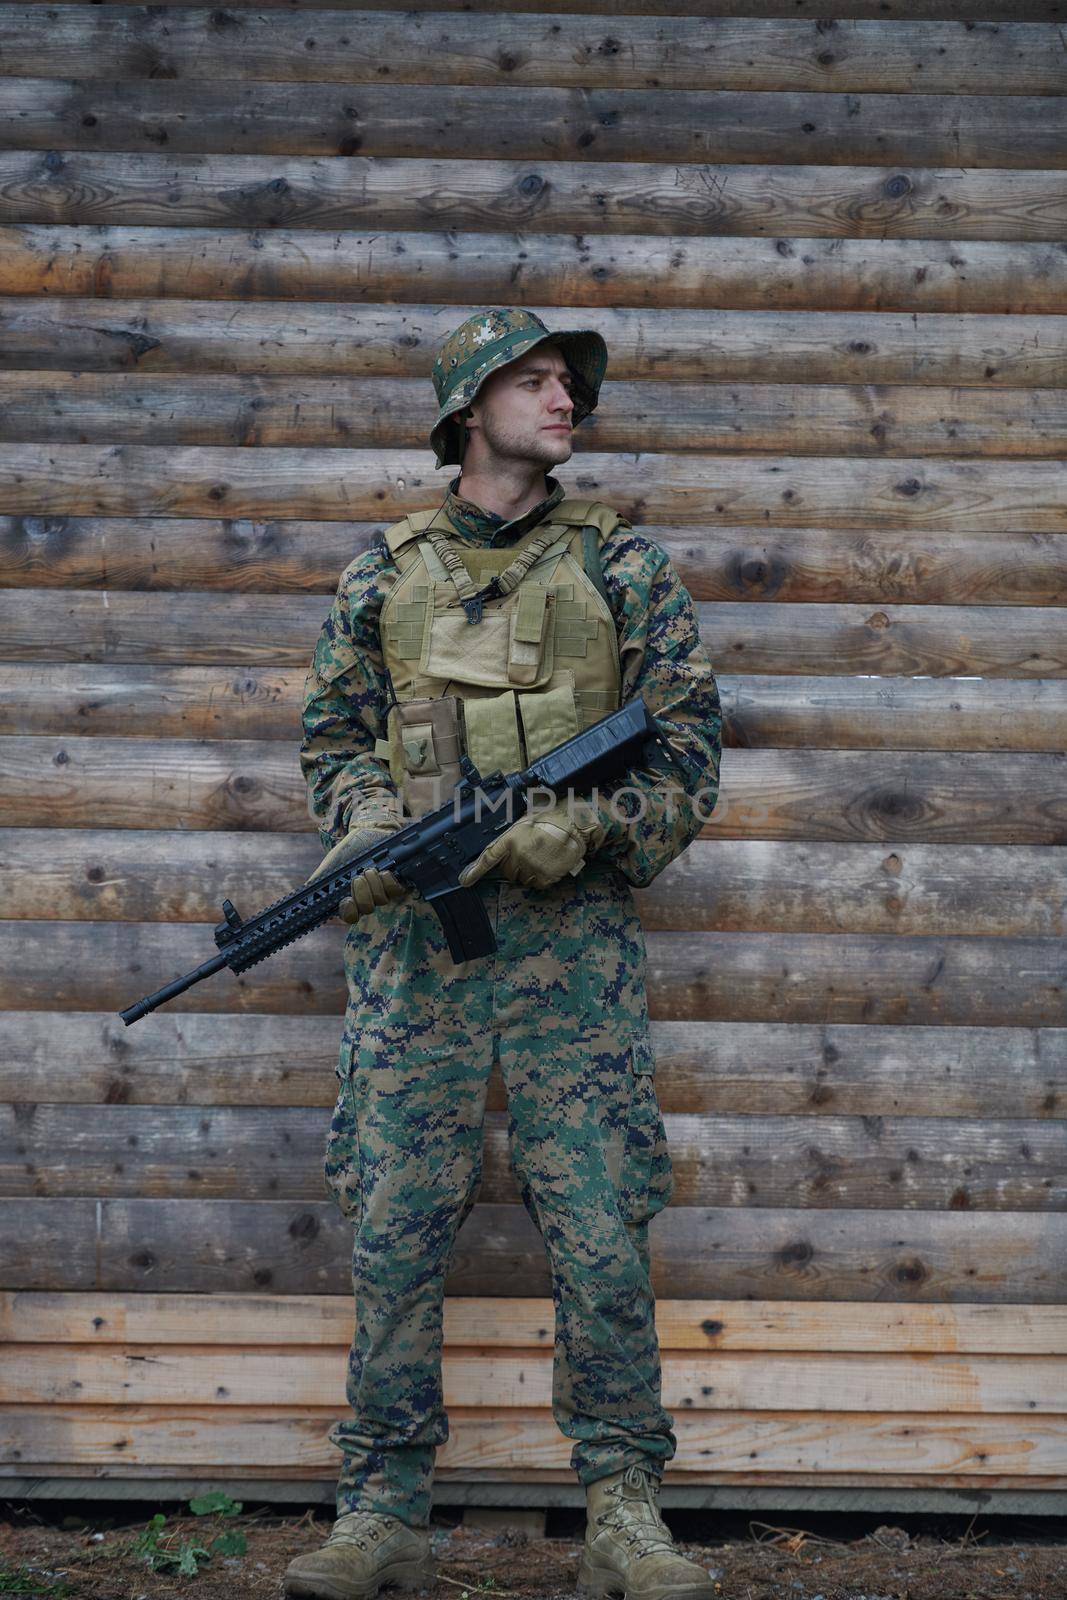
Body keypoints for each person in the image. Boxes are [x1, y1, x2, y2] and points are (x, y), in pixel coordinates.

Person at [284, 307, 723, 1600]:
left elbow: (690, 752)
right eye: (529, 381)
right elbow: (335, 744)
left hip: (570, 955)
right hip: (417, 954)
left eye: (564, 382)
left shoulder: (623, 566)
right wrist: (368, 820)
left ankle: (625, 1510)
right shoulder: (383, 573)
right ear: (467, 411)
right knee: (396, 1224)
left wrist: (583, 829)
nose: (560, 398)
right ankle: (382, 1513)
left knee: (599, 1225)